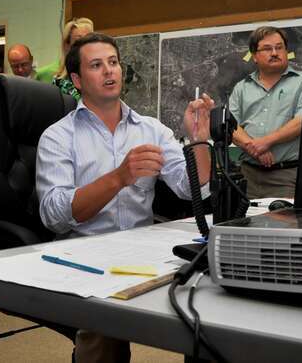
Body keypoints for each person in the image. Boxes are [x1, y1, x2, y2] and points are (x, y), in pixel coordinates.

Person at [36, 33, 213, 362]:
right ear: (76, 79)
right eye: (96, 65)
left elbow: (193, 189)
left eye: (114, 63)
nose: (109, 71)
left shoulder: (151, 129)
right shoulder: (58, 136)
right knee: (104, 329)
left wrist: (199, 142)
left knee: (206, 305)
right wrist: (119, 177)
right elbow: (53, 215)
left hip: (143, 251)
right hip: (86, 255)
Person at [229, 26, 302, 199]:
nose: (274, 53)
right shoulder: (242, 88)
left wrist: (266, 142)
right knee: (243, 223)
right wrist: (256, 149)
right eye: (267, 48)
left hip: (286, 176)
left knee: (283, 224)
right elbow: (231, 125)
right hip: (247, 175)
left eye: (279, 47)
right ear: (255, 56)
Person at [35, 18, 94, 101]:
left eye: (89, 41)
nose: (85, 46)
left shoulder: (102, 75)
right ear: (67, 45)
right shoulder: (60, 82)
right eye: (79, 41)